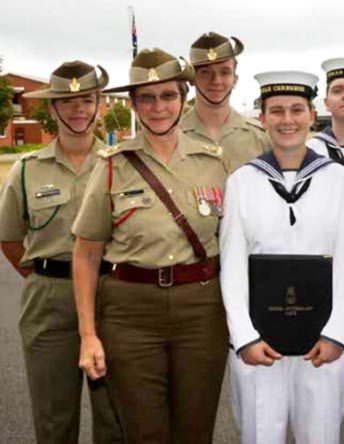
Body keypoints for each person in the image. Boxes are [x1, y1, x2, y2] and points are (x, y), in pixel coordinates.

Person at [71, 48, 229, 444]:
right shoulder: (111, 164)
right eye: (147, 97)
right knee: (144, 431)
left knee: (195, 429)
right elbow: (87, 254)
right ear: (133, 104)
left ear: (184, 98)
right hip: (129, 314)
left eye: (168, 95)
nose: (158, 107)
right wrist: (88, 335)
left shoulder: (215, 163)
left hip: (201, 309)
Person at [220, 70, 344, 444]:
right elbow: (231, 266)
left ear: (312, 116)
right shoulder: (242, 181)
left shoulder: (341, 179)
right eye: (276, 111)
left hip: (323, 342)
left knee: (321, 436)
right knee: (260, 435)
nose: (287, 120)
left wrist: (335, 333)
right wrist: (244, 337)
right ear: (261, 117)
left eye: (297, 109)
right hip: (259, 343)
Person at [0, 61, 122, 444]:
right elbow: (9, 238)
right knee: (54, 419)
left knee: (116, 418)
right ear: (52, 109)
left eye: (86, 99)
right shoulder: (25, 169)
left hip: (112, 295)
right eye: (66, 102)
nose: (78, 109)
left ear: (100, 103)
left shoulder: (122, 163)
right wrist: (48, 277)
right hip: (50, 300)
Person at [181, 31, 270, 171]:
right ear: (192, 79)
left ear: (235, 80)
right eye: (205, 72)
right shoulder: (174, 137)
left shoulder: (262, 139)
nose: (216, 81)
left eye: (224, 72)